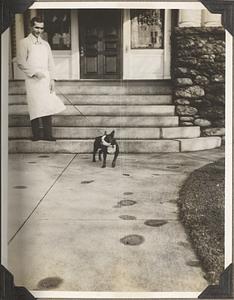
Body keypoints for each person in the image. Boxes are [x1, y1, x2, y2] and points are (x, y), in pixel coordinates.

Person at [17, 16, 65, 141]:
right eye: (36, 27)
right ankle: (36, 135)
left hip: (46, 79)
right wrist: (34, 73)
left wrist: (52, 80)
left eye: (41, 28)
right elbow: (21, 62)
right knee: (35, 106)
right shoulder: (24, 43)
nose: (39, 30)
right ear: (31, 26)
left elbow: (51, 63)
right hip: (33, 79)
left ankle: (48, 135)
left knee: (47, 105)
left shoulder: (45, 44)